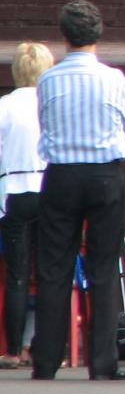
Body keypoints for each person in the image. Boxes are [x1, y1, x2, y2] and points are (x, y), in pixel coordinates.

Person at [30, 0, 125, 381]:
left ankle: (46, 361)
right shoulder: (114, 78)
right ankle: (103, 363)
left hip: (60, 174)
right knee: (103, 267)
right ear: (98, 34)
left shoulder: (48, 80)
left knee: (54, 268)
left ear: (64, 36)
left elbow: (44, 121)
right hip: (105, 173)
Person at [0, 42, 53, 369]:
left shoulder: (4, 106)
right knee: (50, 274)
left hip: (14, 194)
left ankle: (13, 350)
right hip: (51, 192)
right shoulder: (53, 104)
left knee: (17, 275)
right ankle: (44, 346)